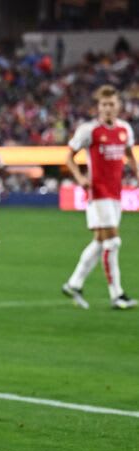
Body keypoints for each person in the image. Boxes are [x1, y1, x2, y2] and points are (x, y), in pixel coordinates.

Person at [62, 85, 137, 310]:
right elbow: (69, 157)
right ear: (98, 107)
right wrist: (80, 178)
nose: (108, 108)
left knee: (100, 242)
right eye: (104, 104)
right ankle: (117, 294)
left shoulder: (125, 129)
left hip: (116, 193)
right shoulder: (89, 130)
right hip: (98, 192)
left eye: (111, 104)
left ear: (119, 106)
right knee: (113, 242)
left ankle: (73, 284)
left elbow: (129, 155)